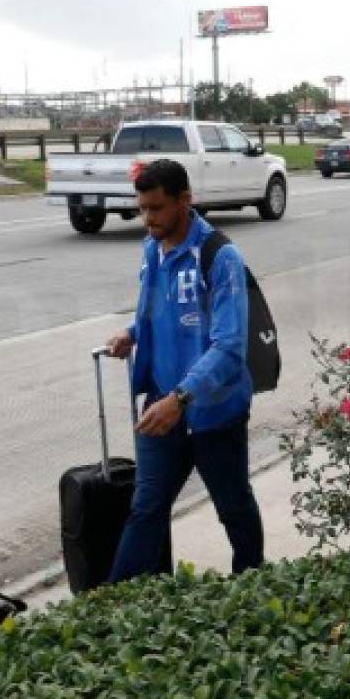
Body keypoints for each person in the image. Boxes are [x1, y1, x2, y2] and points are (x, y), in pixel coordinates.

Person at [104, 158, 264, 581]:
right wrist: (133, 332)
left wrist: (182, 398)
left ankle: (251, 584)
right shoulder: (152, 249)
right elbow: (162, 310)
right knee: (146, 508)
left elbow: (230, 347)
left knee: (233, 507)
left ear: (185, 201)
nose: (148, 218)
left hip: (214, 411)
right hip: (163, 405)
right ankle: (112, 607)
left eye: (156, 208)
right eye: (142, 208)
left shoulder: (219, 257)